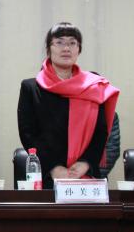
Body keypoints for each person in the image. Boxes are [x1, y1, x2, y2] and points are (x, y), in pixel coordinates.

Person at [17, 23, 119, 190]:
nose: (66, 48)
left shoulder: (93, 85)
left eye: (72, 43)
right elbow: (28, 133)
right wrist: (53, 167)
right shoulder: (31, 88)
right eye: (59, 42)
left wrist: (85, 163)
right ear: (48, 49)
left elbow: (101, 131)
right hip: (48, 177)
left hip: (86, 176)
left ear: (79, 49)